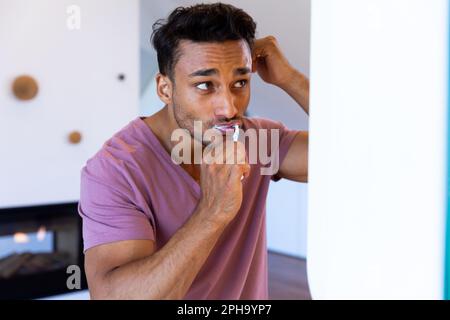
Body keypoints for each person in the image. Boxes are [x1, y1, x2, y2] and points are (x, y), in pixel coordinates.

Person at [78, 2, 309, 299]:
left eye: (239, 82)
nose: (229, 108)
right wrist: (212, 213)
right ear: (164, 89)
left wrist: (290, 78)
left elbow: (362, 155)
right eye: (204, 85)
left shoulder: (257, 139)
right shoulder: (115, 169)